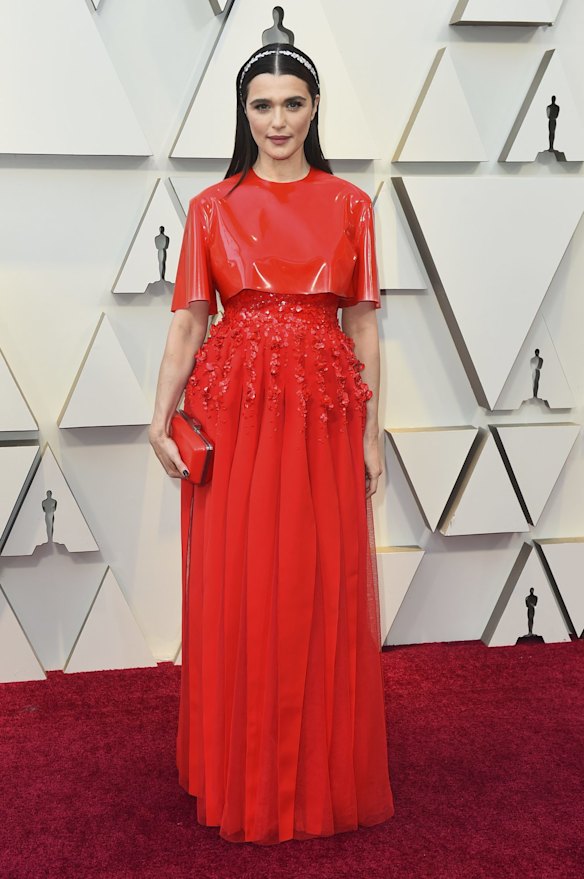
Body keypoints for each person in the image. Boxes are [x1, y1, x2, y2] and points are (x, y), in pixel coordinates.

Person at [149, 42, 394, 845]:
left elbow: (362, 322)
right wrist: (160, 416)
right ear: (243, 112)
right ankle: (241, 765)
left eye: (292, 103)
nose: (278, 120)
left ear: (314, 109)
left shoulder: (353, 204)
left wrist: (373, 431)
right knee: (240, 583)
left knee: (315, 584)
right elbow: (189, 321)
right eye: (263, 105)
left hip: (322, 414)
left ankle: (313, 770)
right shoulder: (210, 208)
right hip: (236, 417)